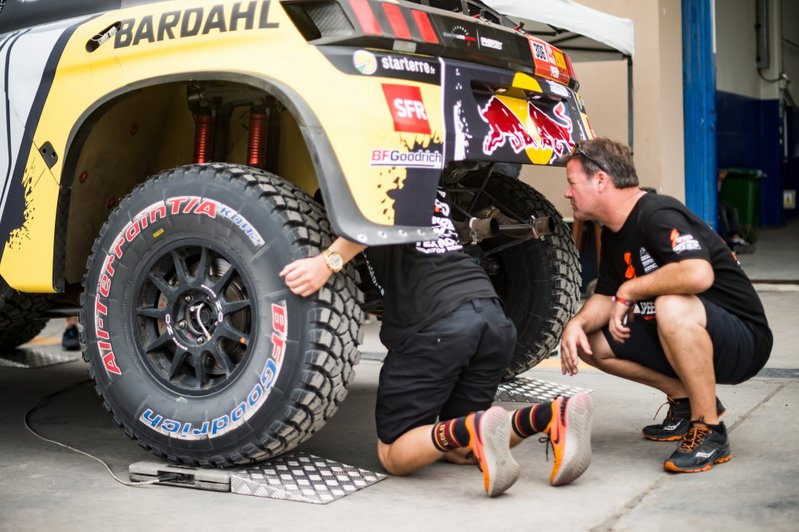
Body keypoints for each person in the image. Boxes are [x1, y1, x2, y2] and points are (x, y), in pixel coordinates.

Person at [281, 188, 593, 495]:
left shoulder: (375, 177)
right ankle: (549, 416)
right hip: (492, 316)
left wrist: (325, 263)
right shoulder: (430, 188)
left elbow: (372, 214)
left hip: (439, 324)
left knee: (394, 454)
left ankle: (473, 426)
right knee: (459, 449)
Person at [559, 137, 772, 473]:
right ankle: (687, 401)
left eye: (571, 183)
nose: (568, 193)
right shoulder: (615, 231)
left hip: (742, 337)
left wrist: (630, 289)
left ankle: (710, 431)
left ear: (601, 181)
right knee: (590, 341)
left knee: (671, 304)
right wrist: (574, 325)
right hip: (684, 332)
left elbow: (698, 273)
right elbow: (604, 296)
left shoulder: (655, 213)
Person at [716, 169, 752, 252]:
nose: (725, 175)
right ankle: (727, 237)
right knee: (722, 211)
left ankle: (735, 236)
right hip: (713, 200)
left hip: (718, 200)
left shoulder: (720, 181)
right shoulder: (713, 179)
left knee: (733, 210)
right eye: (723, 173)